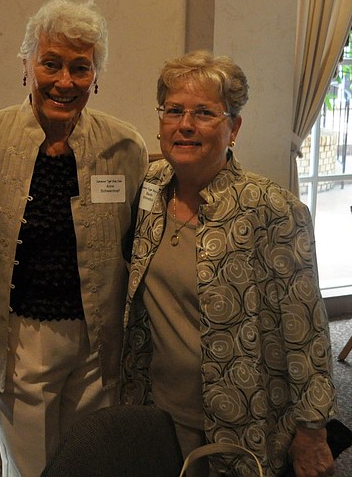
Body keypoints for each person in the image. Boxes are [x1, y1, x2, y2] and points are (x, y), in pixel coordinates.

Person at [0, 0, 149, 477]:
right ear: (26, 65)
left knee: (89, 459)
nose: (64, 81)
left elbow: (138, 246)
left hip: (99, 337)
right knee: (29, 466)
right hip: (18, 337)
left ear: (96, 75)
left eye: (81, 68)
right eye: (50, 64)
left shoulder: (125, 147)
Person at [121, 50, 337, 477]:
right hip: (155, 405)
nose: (185, 124)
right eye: (174, 111)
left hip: (241, 419)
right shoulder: (151, 189)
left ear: (233, 127)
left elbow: (305, 328)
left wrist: (312, 429)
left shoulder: (272, 209)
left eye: (204, 113)